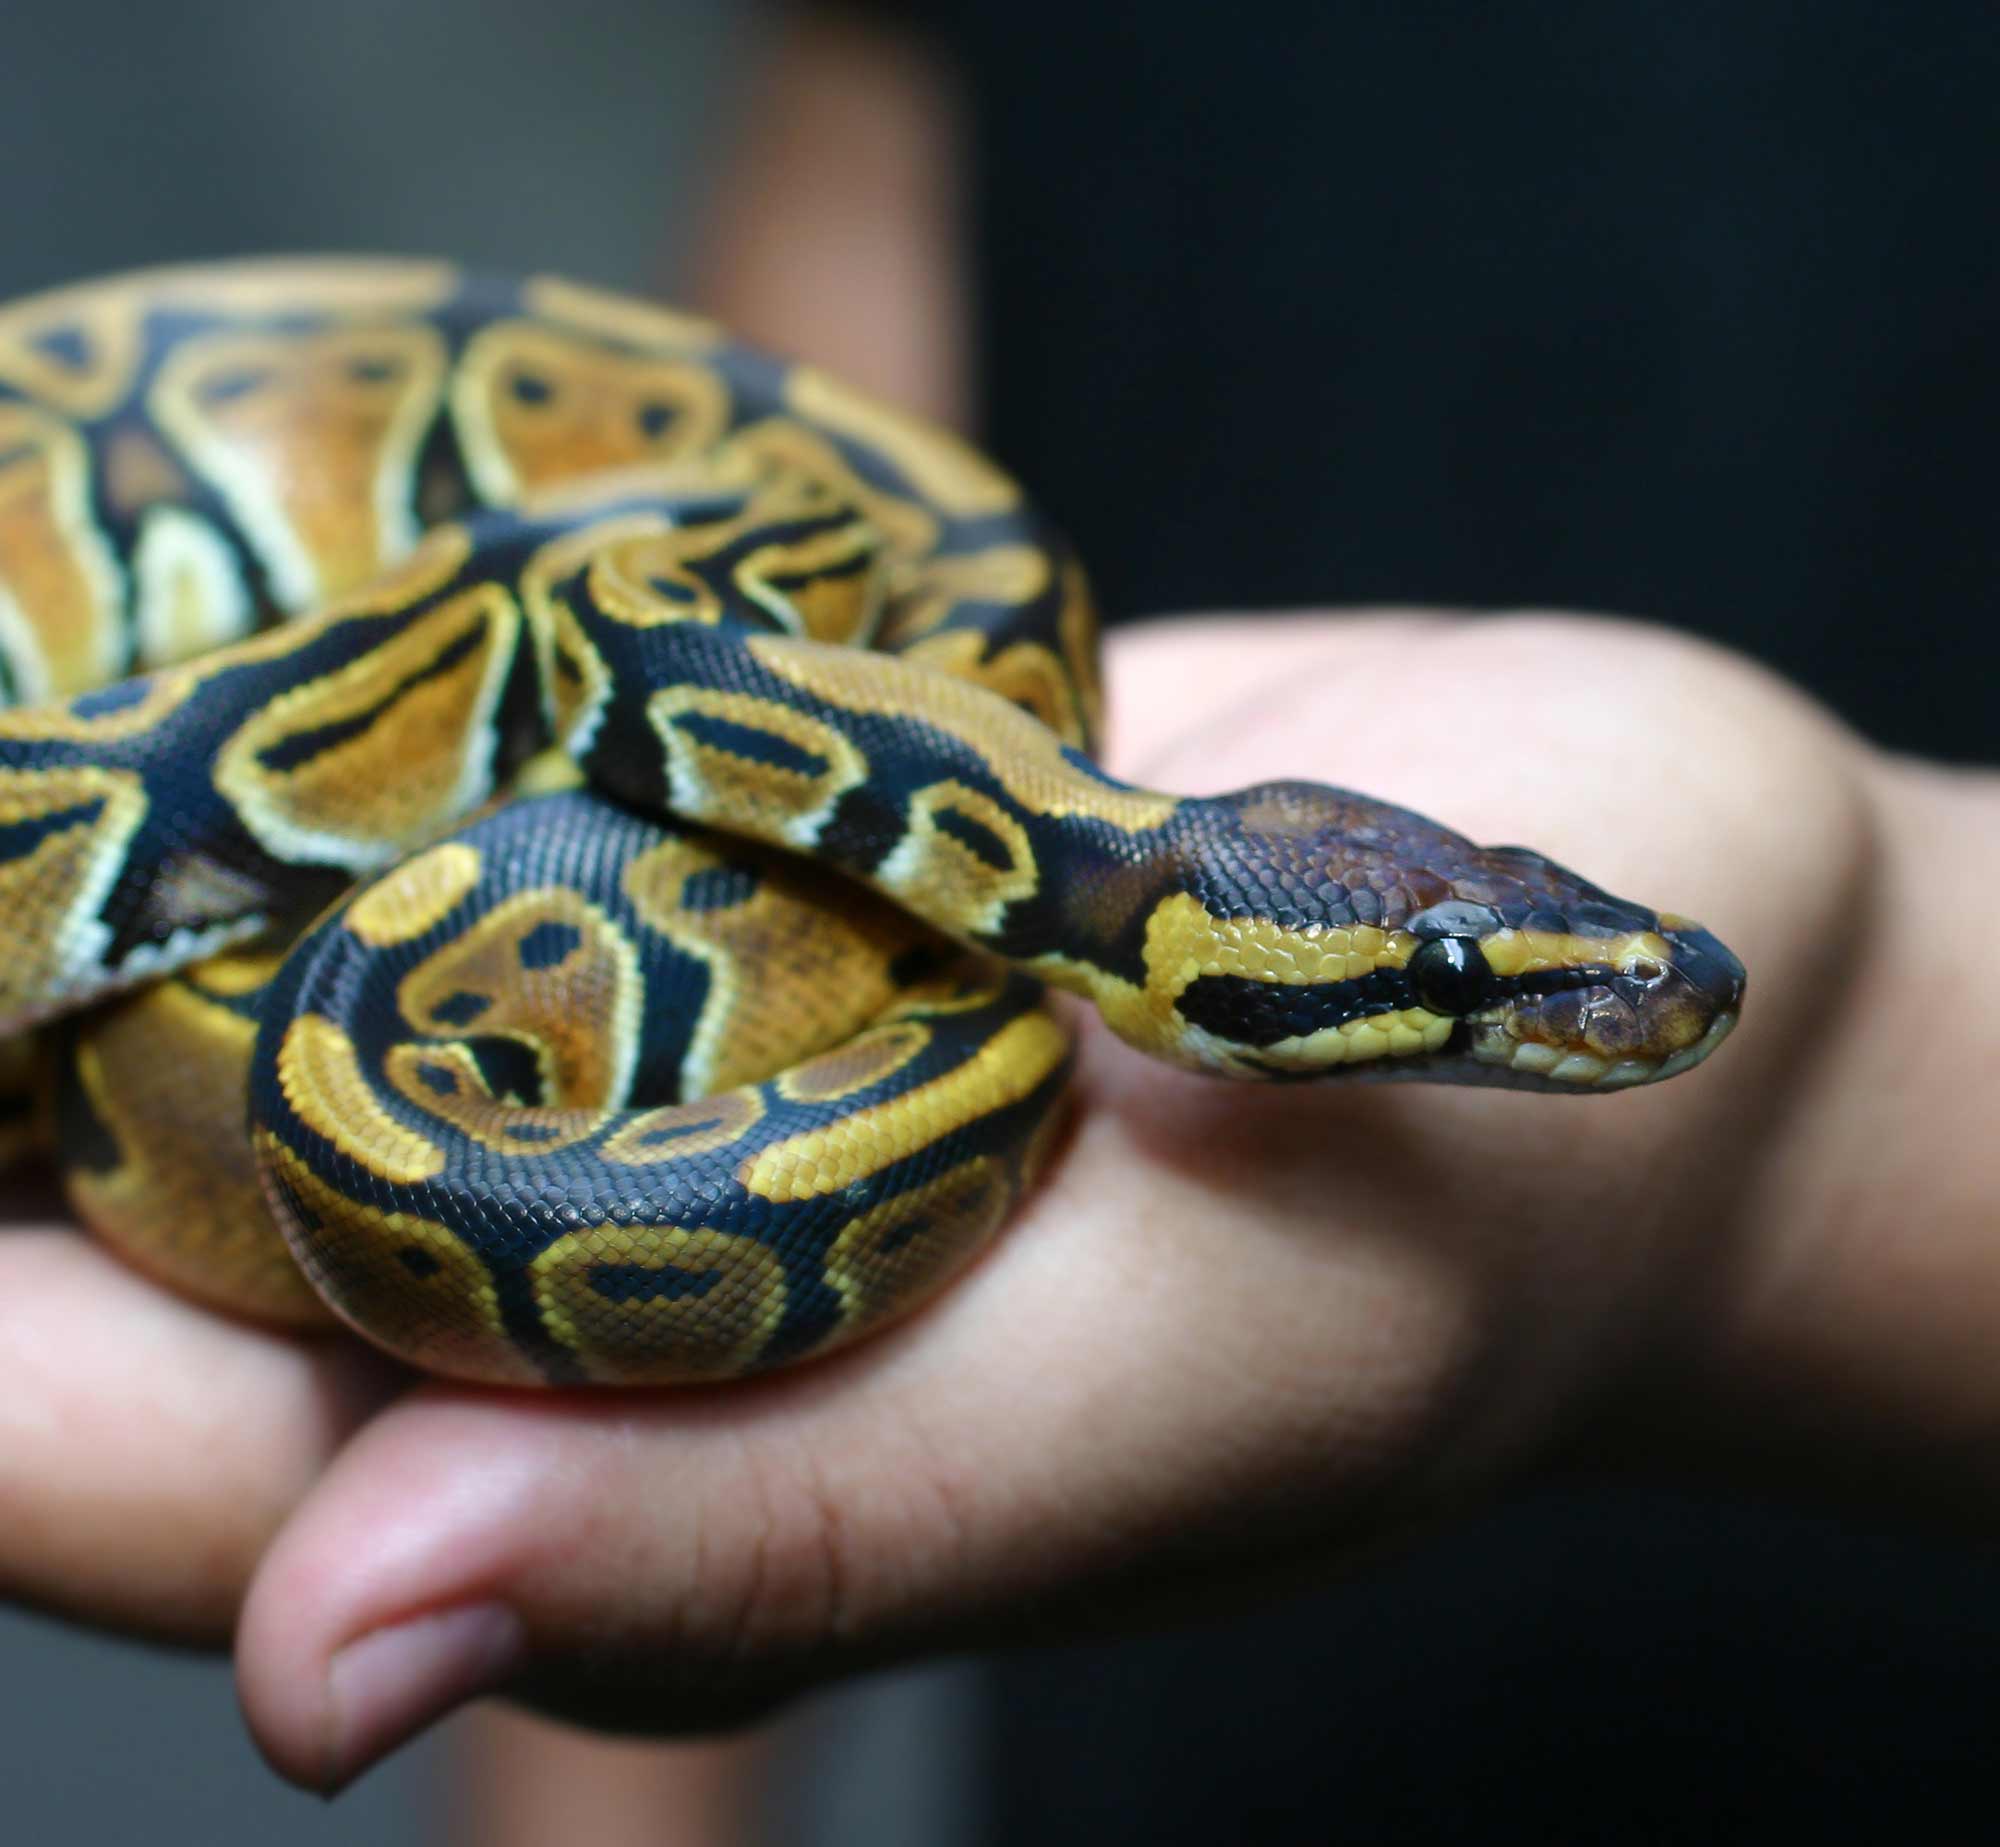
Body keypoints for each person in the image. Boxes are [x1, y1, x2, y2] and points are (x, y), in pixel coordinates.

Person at [4, 2, 1997, 1823]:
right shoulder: (881, 740)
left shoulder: (880, 749)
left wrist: (1831, 1111)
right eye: (1454, 976)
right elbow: (854, 162)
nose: (1556, 993)